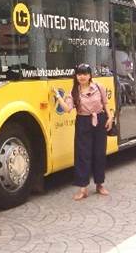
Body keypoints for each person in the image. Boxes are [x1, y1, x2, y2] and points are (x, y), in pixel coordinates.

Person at [53, 63, 114, 201]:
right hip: (83, 122)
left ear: (90, 75)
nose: (82, 77)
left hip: (99, 119)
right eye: (79, 74)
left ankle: (100, 184)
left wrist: (110, 117)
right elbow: (68, 109)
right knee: (82, 155)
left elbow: (105, 103)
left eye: (85, 74)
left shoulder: (99, 87)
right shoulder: (73, 92)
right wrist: (59, 97)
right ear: (76, 76)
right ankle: (83, 188)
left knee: (99, 153)